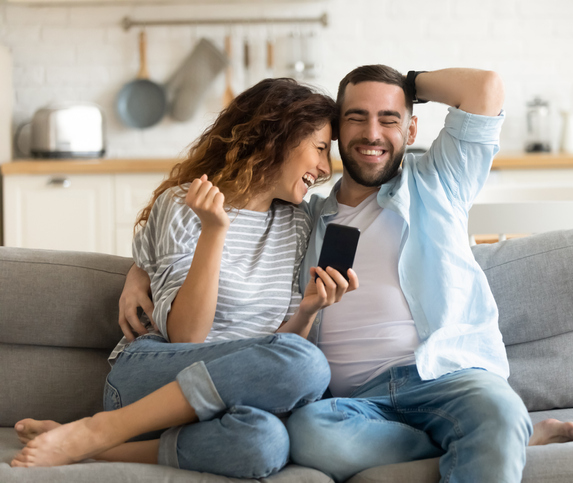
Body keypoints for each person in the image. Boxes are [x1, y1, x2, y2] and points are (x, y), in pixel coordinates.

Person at [10, 78, 359, 479]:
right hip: (151, 378)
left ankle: (92, 445)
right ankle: (100, 427)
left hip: (230, 400)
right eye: (319, 148)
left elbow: (275, 350)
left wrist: (309, 310)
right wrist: (214, 231)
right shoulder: (183, 203)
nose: (323, 166)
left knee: (266, 443)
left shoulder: (296, 223)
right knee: (310, 366)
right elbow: (188, 336)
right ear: (276, 137)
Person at [281, 65, 573, 483]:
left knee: (498, 410)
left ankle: (495, 430)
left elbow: (485, 88)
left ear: (410, 131)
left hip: (446, 378)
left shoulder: (440, 179)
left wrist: (408, 83)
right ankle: (493, 438)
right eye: (356, 117)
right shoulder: (306, 219)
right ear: (336, 130)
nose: (372, 133)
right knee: (307, 433)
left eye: (389, 119)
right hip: (359, 403)